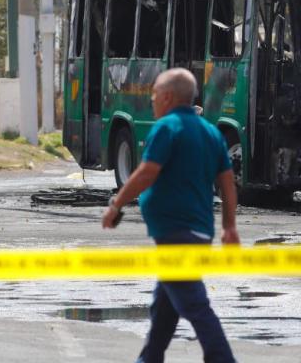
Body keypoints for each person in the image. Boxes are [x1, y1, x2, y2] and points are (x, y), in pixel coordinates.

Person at [102, 68, 238, 363]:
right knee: (164, 308)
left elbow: (147, 172)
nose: (152, 101)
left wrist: (116, 204)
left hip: (176, 232)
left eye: (153, 95)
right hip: (199, 231)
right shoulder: (210, 131)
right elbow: (227, 182)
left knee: (194, 304)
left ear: (167, 97)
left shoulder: (167, 127)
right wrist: (229, 227)